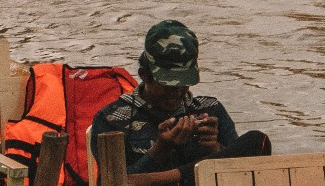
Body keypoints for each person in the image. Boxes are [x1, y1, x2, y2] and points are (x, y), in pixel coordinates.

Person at [87, 20, 269, 184]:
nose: (178, 92)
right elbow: (111, 183)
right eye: (169, 85)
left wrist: (214, 147)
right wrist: (160, 150)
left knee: (257, 139)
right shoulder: (113, 119)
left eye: (184, 84)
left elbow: (242, 169)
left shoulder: (211, 109)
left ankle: (161, 178)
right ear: (145, 75)